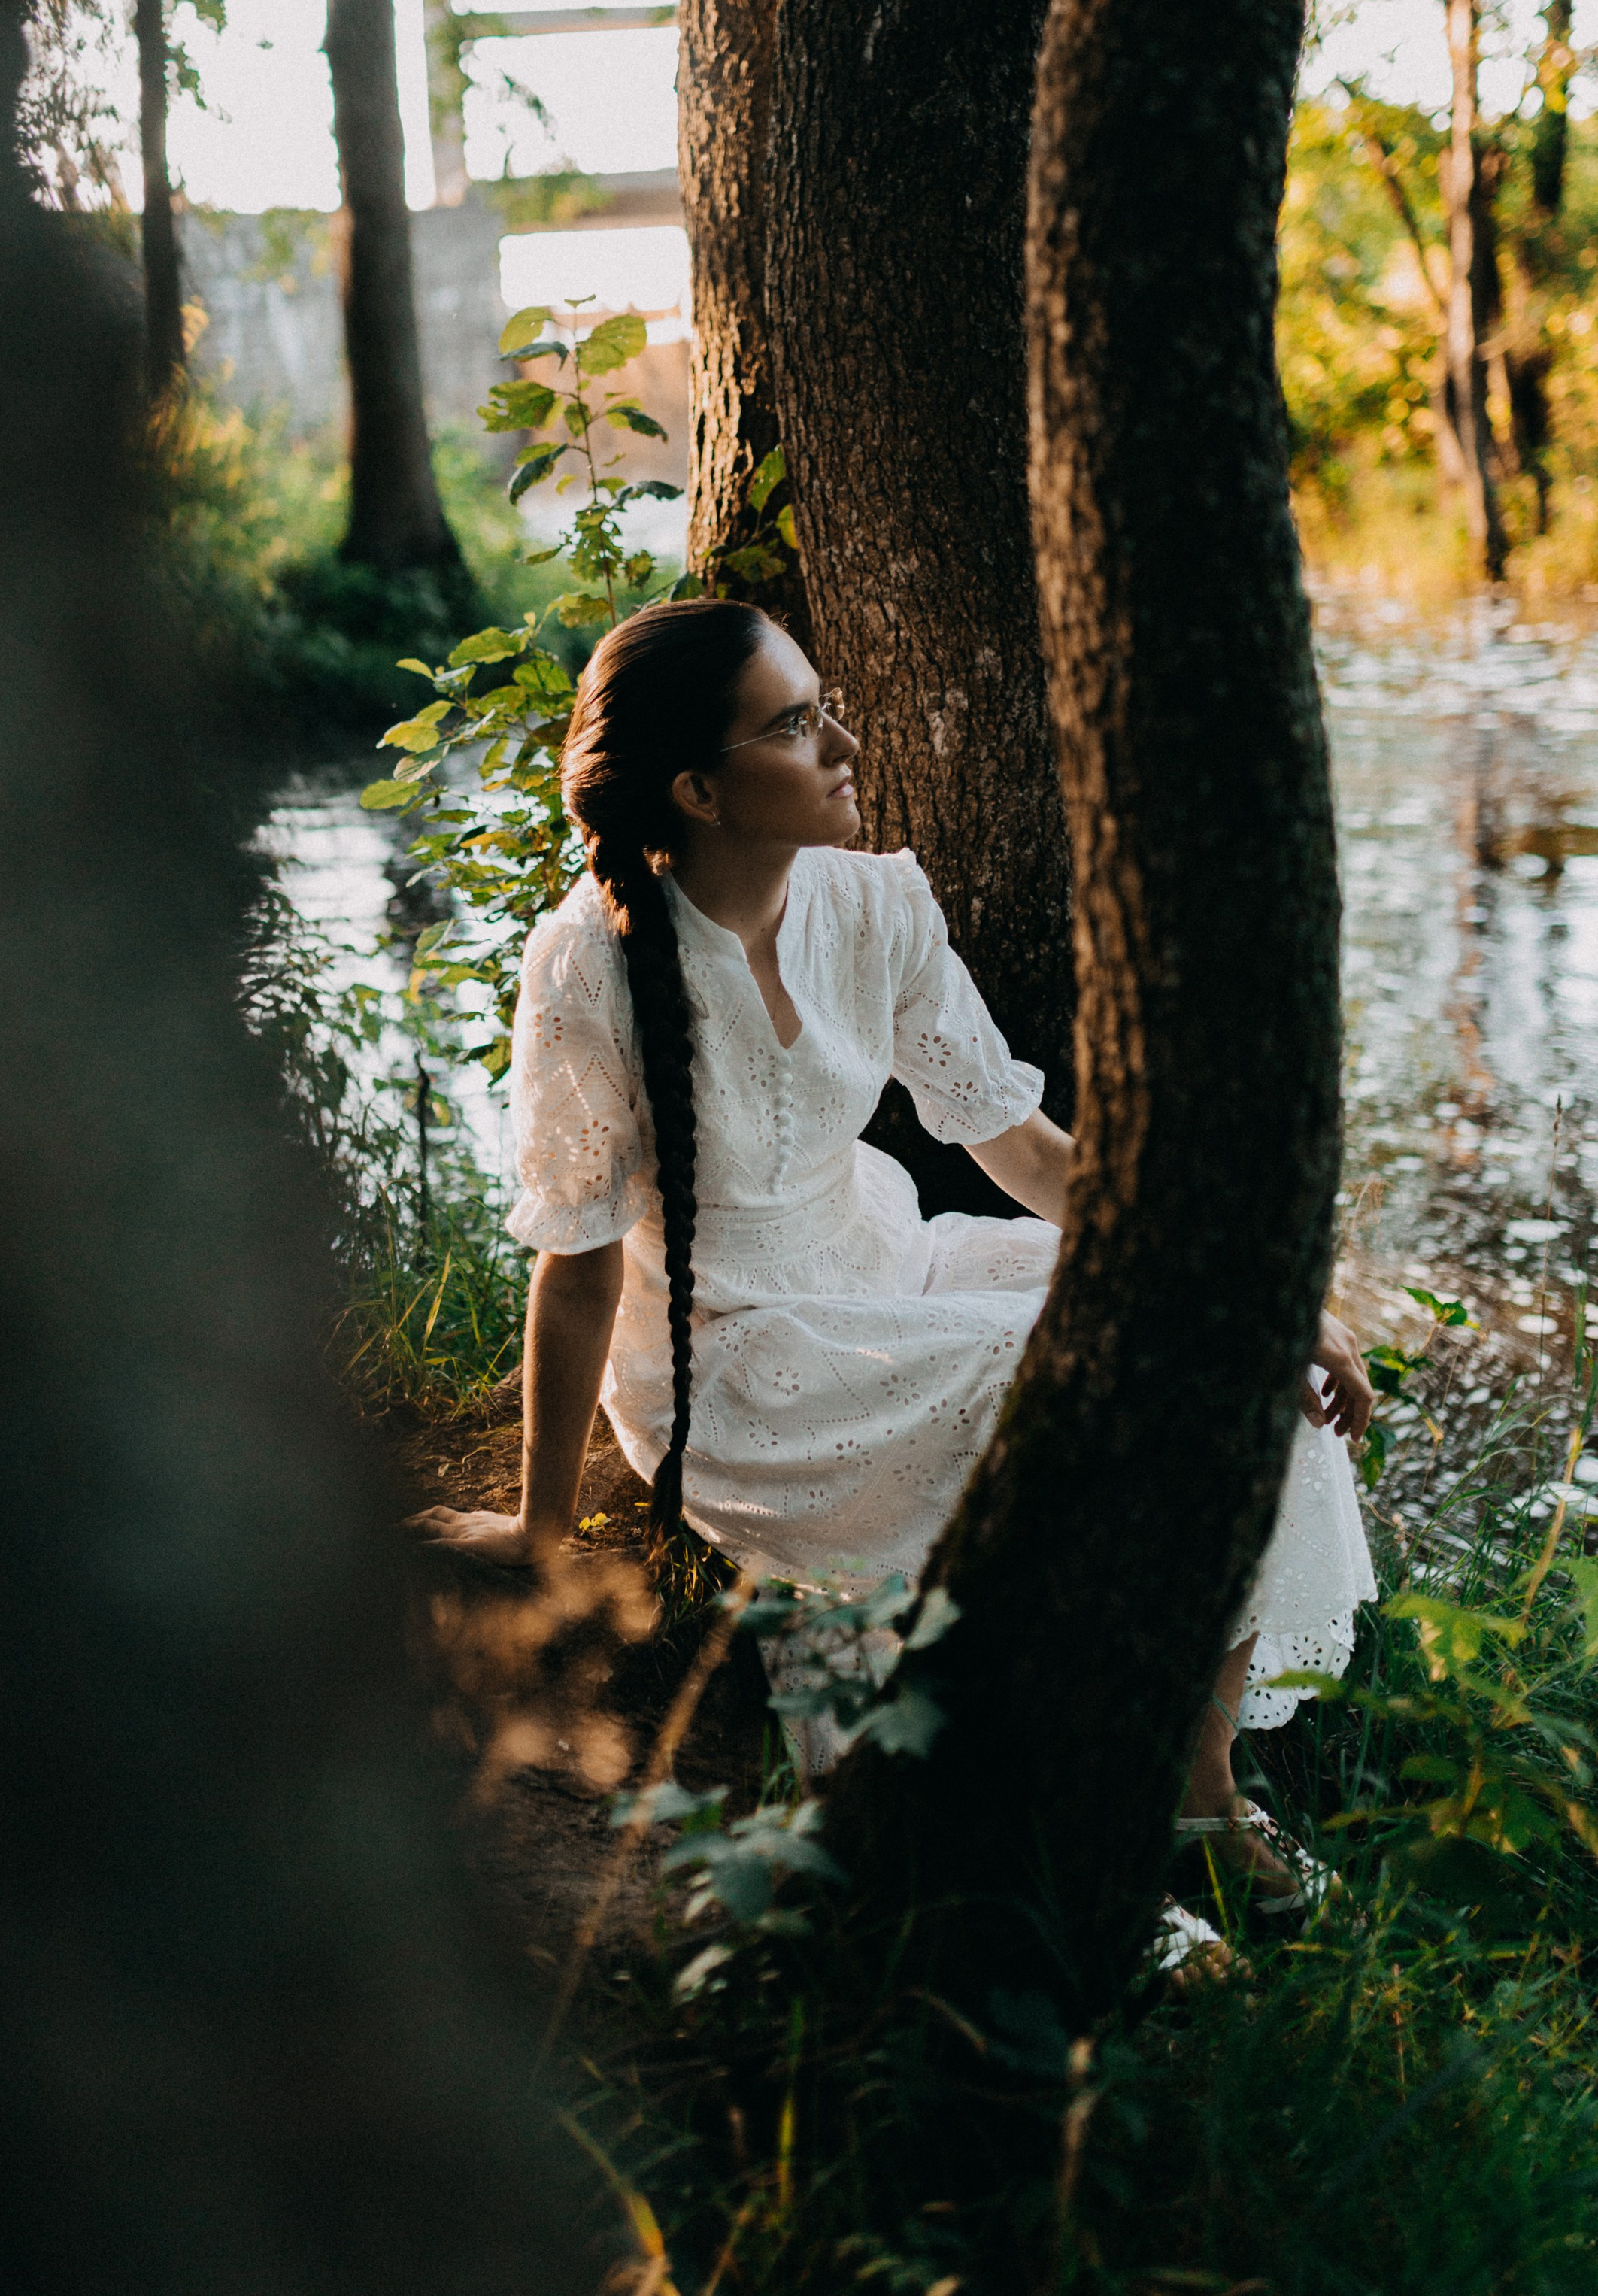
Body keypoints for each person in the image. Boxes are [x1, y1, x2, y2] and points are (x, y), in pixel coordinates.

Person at [414, 598, 1375, 1903]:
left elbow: (1026, 1151)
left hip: (894, 1266)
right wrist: (537, 1529)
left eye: (825, 706)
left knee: (1218, 1357)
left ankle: (1196, 1795)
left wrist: (1253, 1298)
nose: (845, 741)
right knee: (1087, 1385)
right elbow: (580, 1267)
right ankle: (1063, 1823)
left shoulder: (876, 908)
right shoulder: (588, 965)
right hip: (741, 1365)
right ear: (699, 788)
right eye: (797, 724)